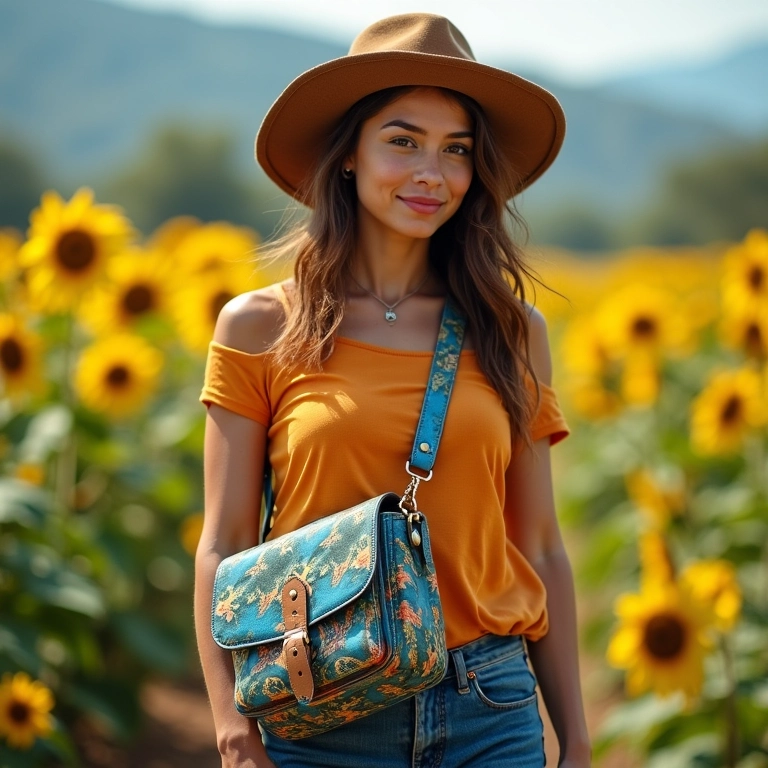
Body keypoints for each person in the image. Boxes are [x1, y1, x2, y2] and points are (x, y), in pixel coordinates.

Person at [195, 12, 590, 768]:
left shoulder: (510, 329)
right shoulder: (261, 326)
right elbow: (224, 542)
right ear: (349, 154)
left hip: (489, 704)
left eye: (456, 149)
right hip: (322, 703)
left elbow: (540, 543)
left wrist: (574, 738)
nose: (431, 173)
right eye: (403, 141)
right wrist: (232, 731)